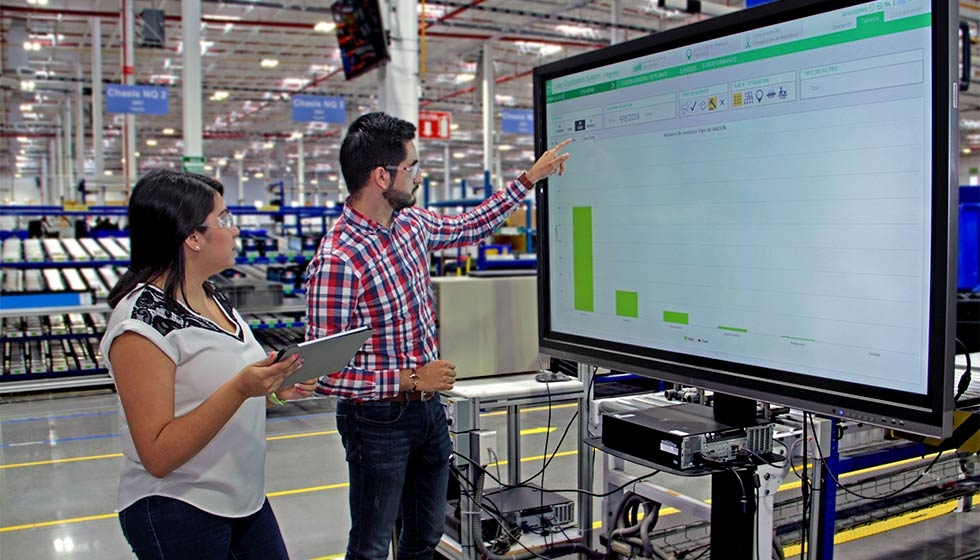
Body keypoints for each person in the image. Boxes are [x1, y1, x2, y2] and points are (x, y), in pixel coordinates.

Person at [305, 111, 572, 560]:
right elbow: (323, 376)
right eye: (411, 167)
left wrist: (529, 179)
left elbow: (471, 225)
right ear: (380, 175)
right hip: (376, 423)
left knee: (424, 537)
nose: (418, 176)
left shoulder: (410, 225)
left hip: (428, 413)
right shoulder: (339, 259)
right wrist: (411, 379)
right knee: (370, 545)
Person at [100, 169, 314, 559]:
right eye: (225, 219)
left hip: (243, 498)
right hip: (180, 509)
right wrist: (240, 389)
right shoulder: (140, 325)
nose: (235, 231)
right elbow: (158, 454)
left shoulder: (212, 298)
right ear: (192, 237)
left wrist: (275, 391)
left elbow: (212, 392)